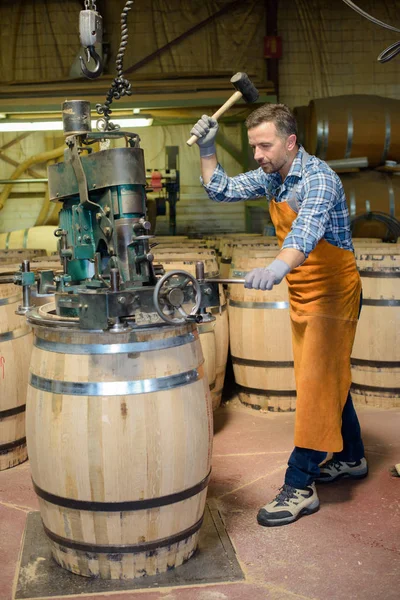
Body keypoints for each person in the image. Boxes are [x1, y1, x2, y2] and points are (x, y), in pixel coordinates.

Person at [190, 103, 368, 527]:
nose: (258, 155)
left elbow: (305, 233)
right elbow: (221, 189)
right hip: (305, 291)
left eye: (264, 145)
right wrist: (208, 149)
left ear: (290, 142)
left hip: (333, 292)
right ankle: (353, 457)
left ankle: (299, 486)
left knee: (316, 383)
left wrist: (276, 268)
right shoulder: (274, 175)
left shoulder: (319, 178)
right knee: (323, 376)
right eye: (253, 146)